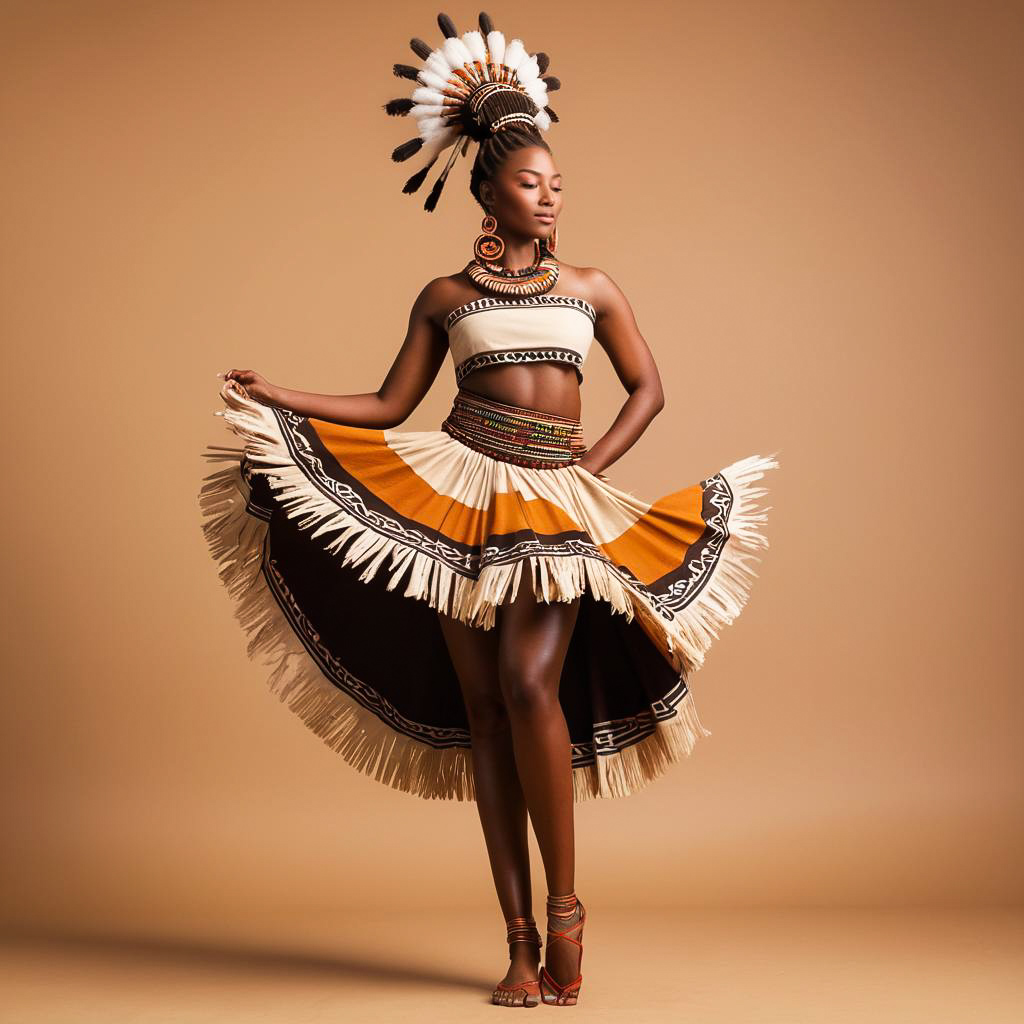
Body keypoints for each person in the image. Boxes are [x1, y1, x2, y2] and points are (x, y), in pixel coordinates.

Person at [200, 11, 778, 1008]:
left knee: (526, 685)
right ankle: (515, 942)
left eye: (557, 183)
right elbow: (389, 407)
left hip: (554, 503)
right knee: (482, 712)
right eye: (529, 183)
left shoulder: (593, 288)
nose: (548, 196)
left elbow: (649, 389)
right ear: (486, 192)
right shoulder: (444, 295)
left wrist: (584, 471)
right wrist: (283, 395)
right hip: (458, 498)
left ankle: (566, 911)